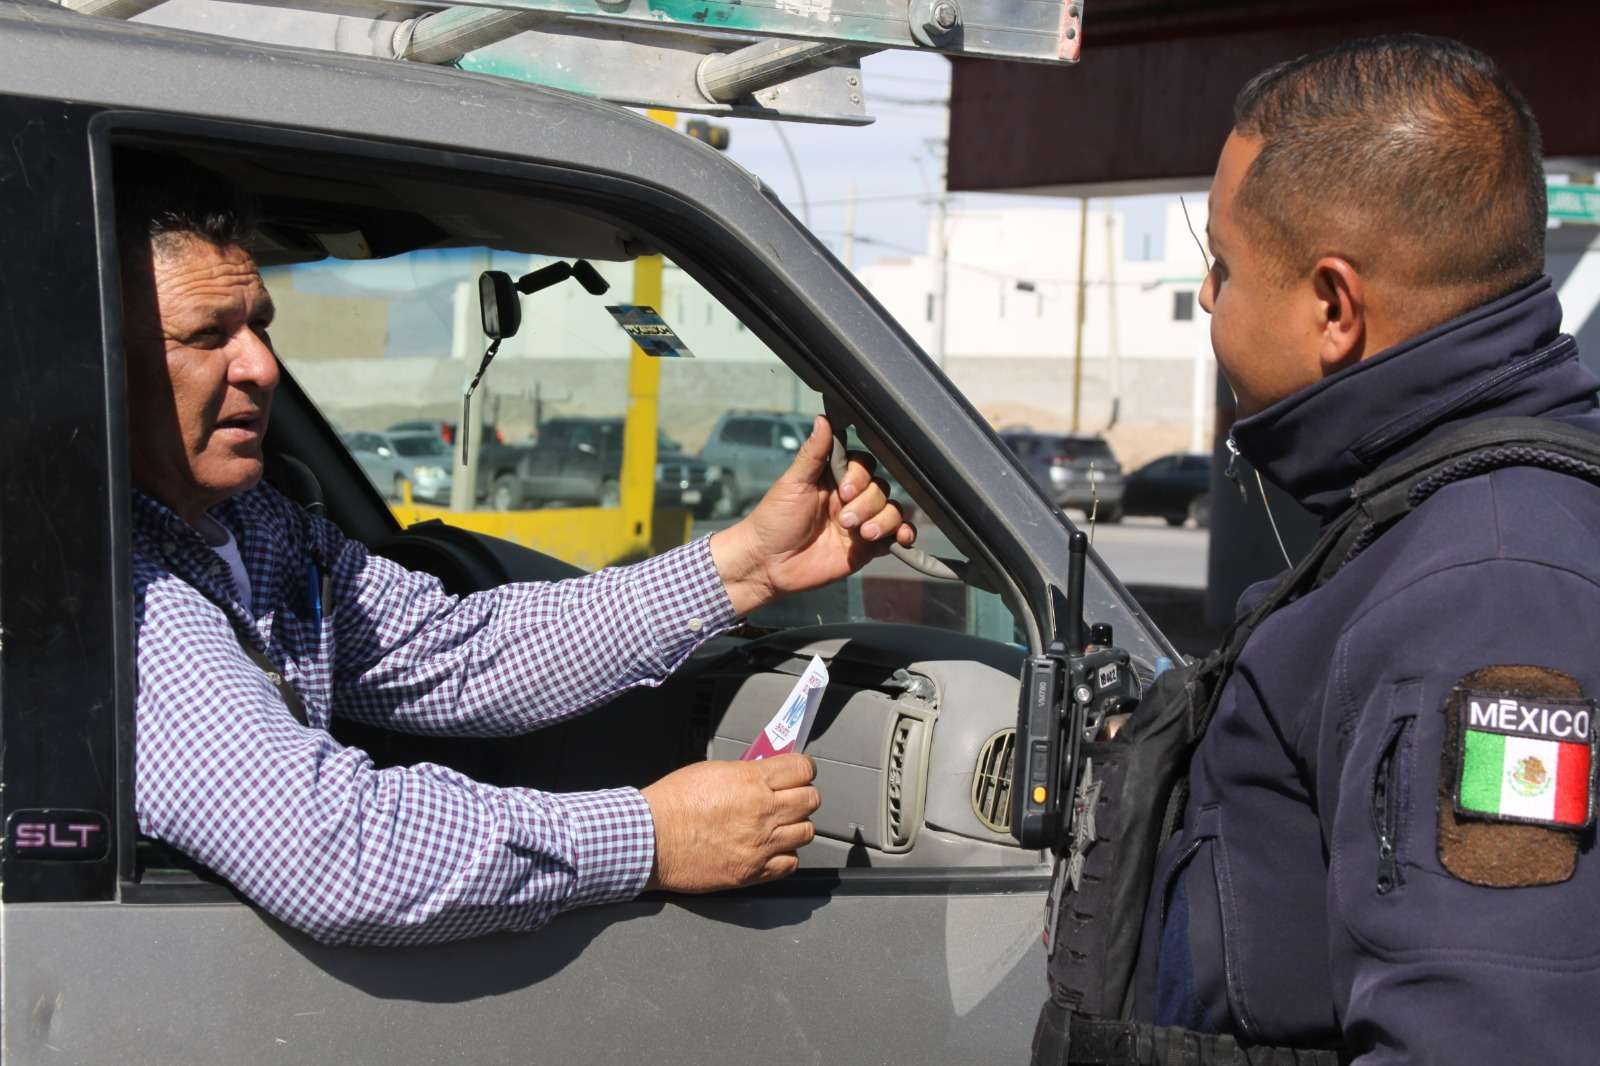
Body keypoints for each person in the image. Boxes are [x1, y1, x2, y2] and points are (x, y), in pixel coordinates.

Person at [119, 154, 916, 946]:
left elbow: (457, 651)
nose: (260, 365)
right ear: (93, 359)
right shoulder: (115, 584)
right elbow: (335, 852)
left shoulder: (253, 523)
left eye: (258, 323)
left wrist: (747, 564)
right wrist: (652, 837)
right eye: (205, 335)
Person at [1126, 35, 1600, 1062]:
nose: (1208, 299)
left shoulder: (1490, 585)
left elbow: (1487, 1033)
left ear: (1334, 306)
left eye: (1222, 264)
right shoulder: (1425, 521)